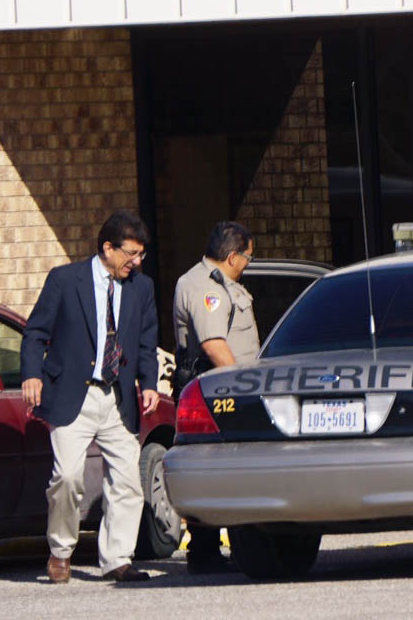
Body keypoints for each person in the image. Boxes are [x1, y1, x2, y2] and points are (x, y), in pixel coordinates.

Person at [21, 209, 160, 582]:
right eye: (131, 253)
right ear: (108, 248)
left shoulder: (141, 288)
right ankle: (60, 551)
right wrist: (32, 375)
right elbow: (36, 332)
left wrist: (149, 383)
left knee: (127, 481)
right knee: (67, 478)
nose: (136, 262)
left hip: (117, 397)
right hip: (72, 394)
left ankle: (117, 559)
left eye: (141, 254)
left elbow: (146, 341)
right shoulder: (66, 280)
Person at [171, 220, 260, 572]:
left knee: (235, 469)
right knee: (217, 469)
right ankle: (205, 552)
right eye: (248, 257)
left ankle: (236, 547)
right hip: (218, 390)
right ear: (233, 257)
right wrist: (243, 386)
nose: (248, 264)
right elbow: (213, 344)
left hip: (227, 388)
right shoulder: (202, 286)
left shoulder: (222, 283)